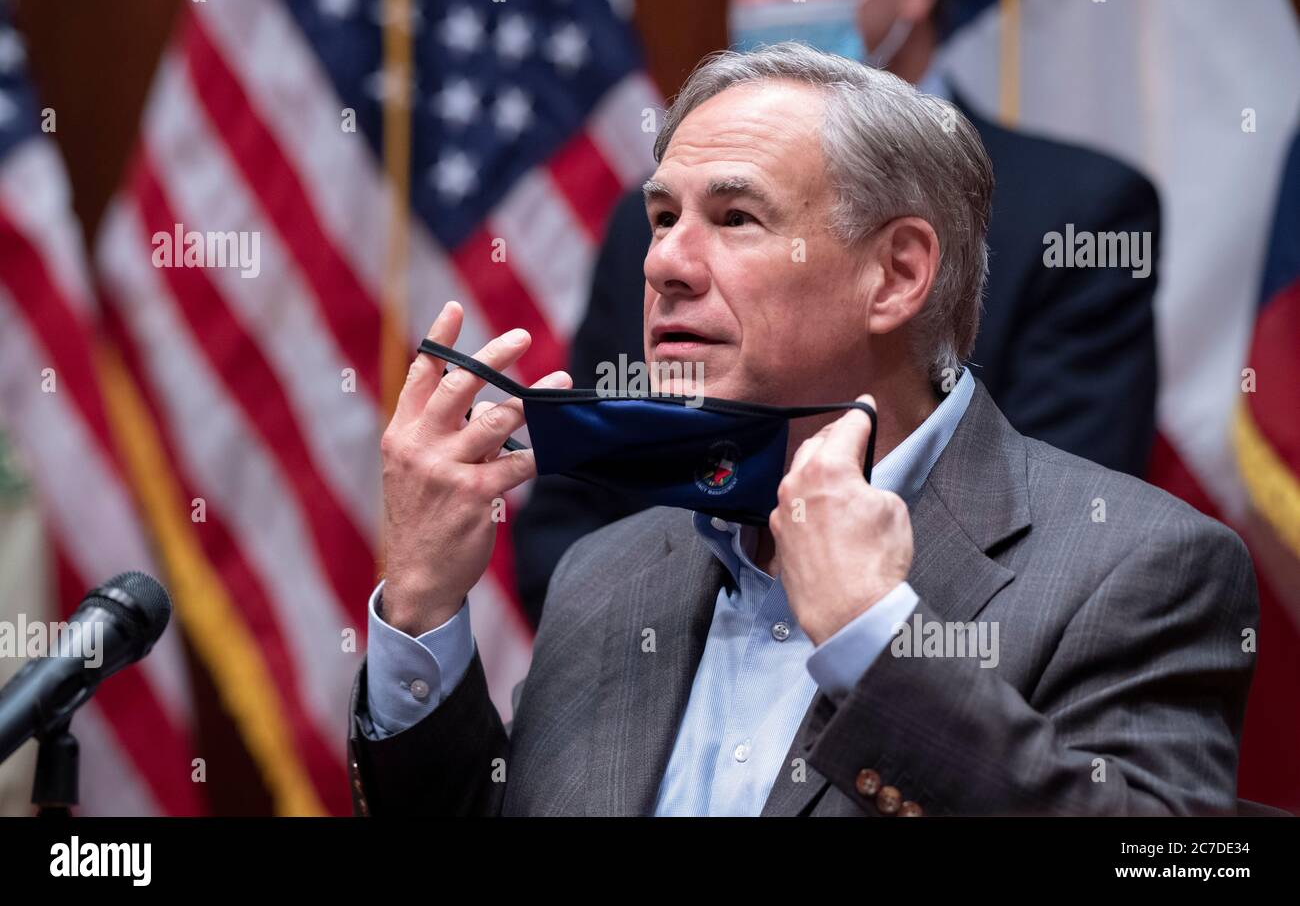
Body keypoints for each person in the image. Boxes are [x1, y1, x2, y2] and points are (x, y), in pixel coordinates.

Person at [349, 44, 1254, 817]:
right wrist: (422, 610)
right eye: (663, 218)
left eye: (735, 218)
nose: (663, 261)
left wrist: (875, 641)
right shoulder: (609, 571)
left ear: (896, 276)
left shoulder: (1138, 567)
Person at [512, 0, 1161, 628]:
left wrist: (854, 617)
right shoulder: (643, 231)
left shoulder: (1074, 211)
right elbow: (570, 521)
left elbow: (1053, 542)